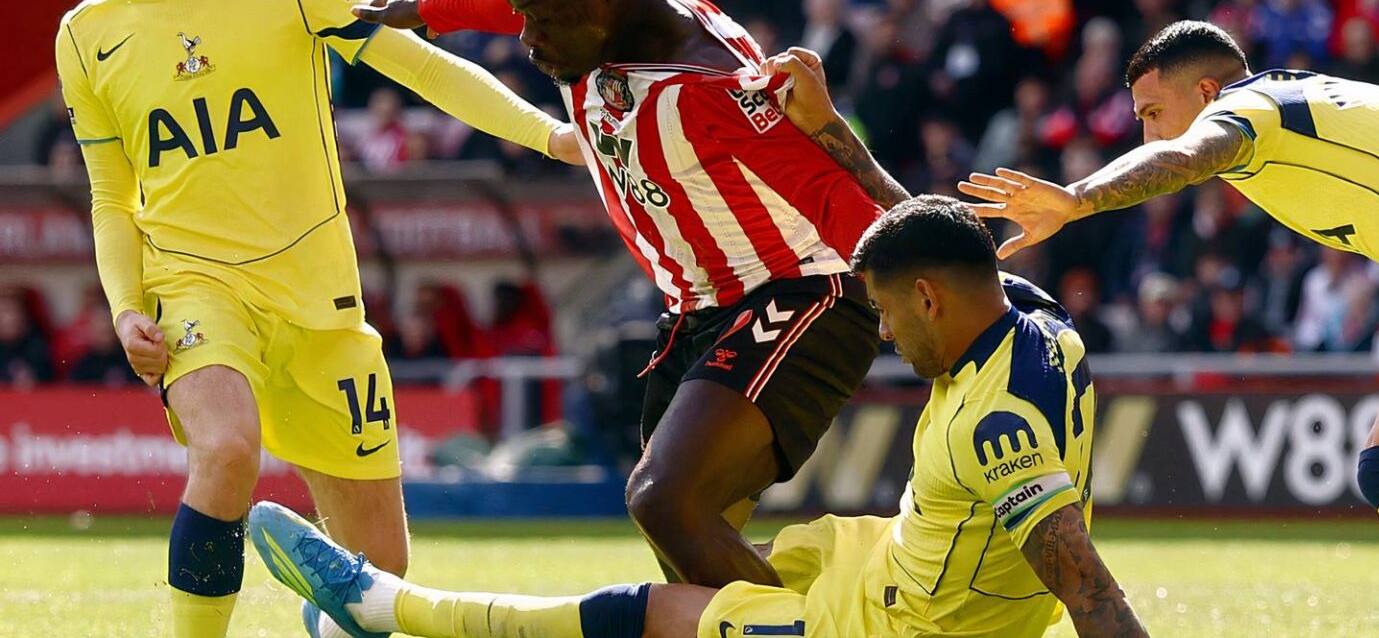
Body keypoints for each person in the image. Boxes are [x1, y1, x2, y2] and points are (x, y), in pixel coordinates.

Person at [58, 0, 579, 638]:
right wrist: (124, 307)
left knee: (381, 578)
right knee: (225, 452)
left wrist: (549, 136)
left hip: (321, 296)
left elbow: (416, 64)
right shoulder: (86, 35)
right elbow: (111, 194)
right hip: (195, 285)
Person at [247, 195, 1145, 638]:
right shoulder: (1040, 321)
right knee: (714, 554)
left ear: (929, 298)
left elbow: (1090, 591)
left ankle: (389, 606)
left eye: (887, 313)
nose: (882, 334)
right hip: (881, 559)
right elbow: (942, 234)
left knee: (660, 615)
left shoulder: (995, 432)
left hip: (906, 630)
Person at [353, 0, 906, 589]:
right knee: (693, 567)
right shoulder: (596, 2)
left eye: (544, 20)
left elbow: (832, 199)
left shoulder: (710, 85)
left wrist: (924, 291)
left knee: (663, 501)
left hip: (800, 295)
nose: (528, 39)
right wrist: (430, 7)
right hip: (695, 311)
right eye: (526, 17)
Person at [962, 20, 1379, 638]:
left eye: (1153, 112)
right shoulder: (1293, 101)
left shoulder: (1247, 107)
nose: (1147, 133)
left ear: (1207, 93)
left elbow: (1183, 155)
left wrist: (1079, 198)